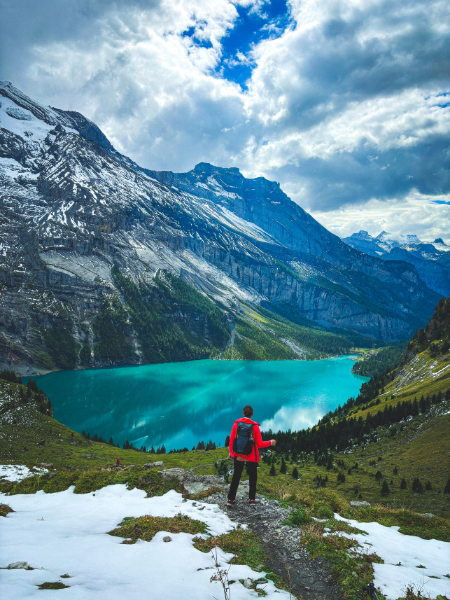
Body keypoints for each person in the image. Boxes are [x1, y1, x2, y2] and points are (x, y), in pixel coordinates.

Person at [227, 405, 276, 507]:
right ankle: (252, 499)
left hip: (239, 454)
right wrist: (271, 442)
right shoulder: (255, 427)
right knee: (252, 477)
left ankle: (231, 499)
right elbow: (259, 444)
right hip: (251, 456)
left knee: (236, 476)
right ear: (252, 414)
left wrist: (231, 452)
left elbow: (232, 440)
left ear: (243, 413)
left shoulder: (236, 425)